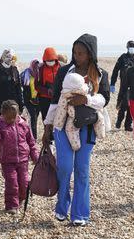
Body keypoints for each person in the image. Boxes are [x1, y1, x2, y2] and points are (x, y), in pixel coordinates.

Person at [42, 34, 110, 226]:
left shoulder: (101, 74)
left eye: (81, 53)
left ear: (90, 54)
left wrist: (86, 100)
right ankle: (62, 207)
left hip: (86, 127)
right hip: (62, 126)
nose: (77, 55)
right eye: (74, 52)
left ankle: (80, 214)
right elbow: (55, 101)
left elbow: (105, 99)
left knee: (82, 170)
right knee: (64, 168)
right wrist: (47, 127)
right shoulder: (64, 72)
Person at [0, 100, 39, 214]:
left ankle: (21, 198)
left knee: (24, 182)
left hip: (23, 160)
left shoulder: (23, 124)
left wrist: (35, 156)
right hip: (7, 160)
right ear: (2, 114)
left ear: (18, 114)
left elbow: (31, 142)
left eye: (13, 117)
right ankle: (11, 205)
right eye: (8, 118)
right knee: (12, 183)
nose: (11, 120)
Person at [53, 72, 106, 151]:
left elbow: (62, 110)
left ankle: (76, 145)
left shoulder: (65, 95)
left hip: (75, 117)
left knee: (70, 129)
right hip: (92, 114)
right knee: (99, 118)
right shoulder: (87, 90)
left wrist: (58, 124)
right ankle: (101, 134)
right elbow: (100, 101)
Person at [110, 40, 134, 131]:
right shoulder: (123, 57)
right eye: (130, 47)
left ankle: (128, 125)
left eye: (133, 47)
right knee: (123, 104)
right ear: (127, 47)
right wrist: (112, 83)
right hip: (124, 85)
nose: (132, 48)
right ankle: (118, 122)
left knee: (132, 105)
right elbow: (115, 70)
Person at [35, 47, 61, 121]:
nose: (50, 62)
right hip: (44, 99)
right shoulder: (40, 69)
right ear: (44, 60)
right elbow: (37, 85)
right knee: (46, 120)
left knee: (58, 119)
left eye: (52, 60)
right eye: (48, 60)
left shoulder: (61, 67)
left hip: (58, 98)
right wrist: (47, 91)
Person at [20, 59, 41, 139]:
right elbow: (23, 87)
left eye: (37, 65)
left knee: (36, 117)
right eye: (35, 65)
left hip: (38, 101)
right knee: (33, 117)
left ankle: (31, 135)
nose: (36, 67)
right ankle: (34, 137)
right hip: (29, 100)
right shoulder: (26, 74)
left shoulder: (40, 74)